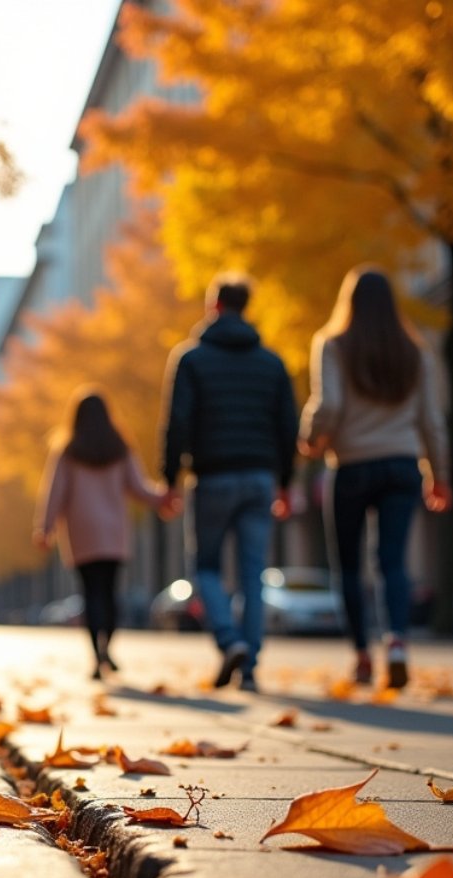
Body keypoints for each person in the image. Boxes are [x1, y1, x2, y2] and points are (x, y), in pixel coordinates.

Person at [299, 266, 452, 689]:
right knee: (392, 561)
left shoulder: (333, 344)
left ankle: (363, 655)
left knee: (348, 565)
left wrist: (310, 439)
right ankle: (398, 643)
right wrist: (439, 475)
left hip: (350, 465)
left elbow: (327, 404)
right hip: (403, 465)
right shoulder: (414, 351)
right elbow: (432, 421)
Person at [159, 272, 298, 692]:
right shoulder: (272, 363)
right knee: (253, 572)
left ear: (214, 306)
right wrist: (285, 482)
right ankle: (250, 665)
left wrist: (169, 478)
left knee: (205, 567)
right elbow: (287, 426)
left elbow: (176, 423)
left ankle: (228, 638)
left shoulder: (191, 358)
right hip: (259, 477)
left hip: (213, 476)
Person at [34, 388, 165, 679]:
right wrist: (163, 498)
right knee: (110, 591)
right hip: (113, 530)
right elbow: (140, 487)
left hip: (82, 532)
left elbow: (53, 493)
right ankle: (109, 646)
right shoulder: (120, 448)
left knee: (90, 593)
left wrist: (44, 528)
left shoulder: (67, 450)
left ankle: (97, 654)